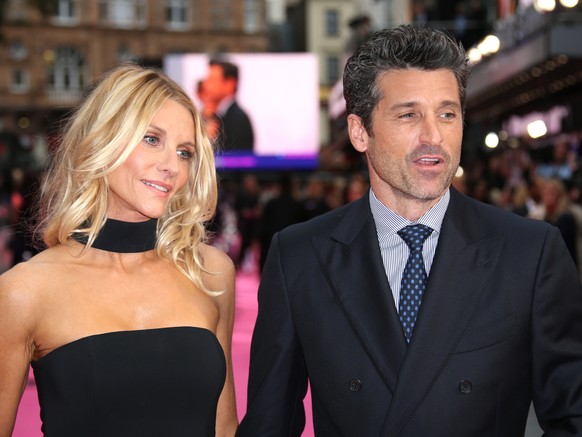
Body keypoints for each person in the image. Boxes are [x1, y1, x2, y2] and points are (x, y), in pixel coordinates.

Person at [237, 25, 582, 436]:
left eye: (447, 114)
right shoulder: (300, 257)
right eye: (408, 115)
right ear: (359, 132)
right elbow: (269, 423)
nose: (433, 136)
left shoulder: (531, 252)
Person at [0, 63, 238, 436]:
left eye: (185, 152)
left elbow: (225, 426)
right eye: (151, 139)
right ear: (103, 139)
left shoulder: (209, 271)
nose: (171, 166)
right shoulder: (25, 291)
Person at [203, 60, 255, 152]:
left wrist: (206, 140)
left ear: (230, 84)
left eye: (212, 80)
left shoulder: (237, 118)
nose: (206, 85)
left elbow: (236, 160)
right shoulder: (217, 115)